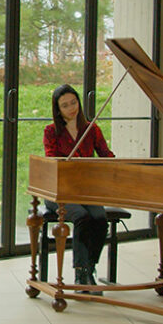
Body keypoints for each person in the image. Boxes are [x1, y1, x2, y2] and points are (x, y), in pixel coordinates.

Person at [43, 83, 114, 292]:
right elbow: (52, 160)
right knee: (82, 217)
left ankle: (89, 267)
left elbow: (105, 154)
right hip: (59, 191)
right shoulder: (51, 132)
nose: (71, 108)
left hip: (84, 190)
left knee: (100, 219)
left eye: (73, 102)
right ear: (58, 110)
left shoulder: (91, 130)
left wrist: (117, 164)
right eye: (65, 105)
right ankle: (80, 273)